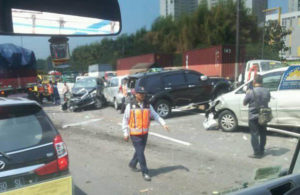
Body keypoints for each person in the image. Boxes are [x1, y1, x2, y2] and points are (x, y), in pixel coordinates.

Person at [122, 86, 169, 181]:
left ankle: (132, 164)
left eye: (144, 94)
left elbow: (155, 115)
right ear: (136, 94)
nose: (142, 95)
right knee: (140, 153)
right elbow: (125, 120)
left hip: (144, 133)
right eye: (140, 93)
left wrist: (163, 123)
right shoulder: (130, 106)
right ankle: (145, 172)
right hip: (135, 134)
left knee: (140, 152)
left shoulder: (148, 105)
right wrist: (125, 133)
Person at [243, 74, 270, 158]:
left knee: (254, 134)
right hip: (263, 116)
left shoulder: (250, 92)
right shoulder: (267, 91)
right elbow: (268, 100)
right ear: (262, 82)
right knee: (263, 133)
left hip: (253, 116)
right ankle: (262, 150)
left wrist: (246, 93)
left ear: (254, 82)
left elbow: (244, 103)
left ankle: (257, 153)